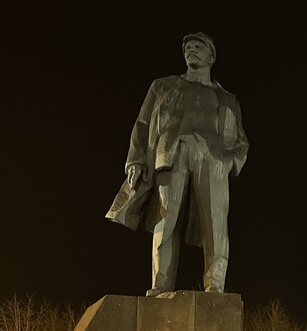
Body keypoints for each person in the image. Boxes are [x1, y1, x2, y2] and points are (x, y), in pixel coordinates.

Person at [106, 32, 249, 296]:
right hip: (171, 153)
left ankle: (215, 286)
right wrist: (136, 160)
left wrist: (229, 161)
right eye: (187, 47)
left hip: (212, 158)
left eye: (198, 46)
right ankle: (160, 285)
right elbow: (143, 124)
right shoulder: (163, 86)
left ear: (211, 56)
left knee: (216, 225)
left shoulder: (226, 98)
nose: (191, 49)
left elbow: (240, 141)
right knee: (165, 219)